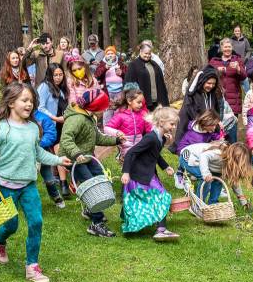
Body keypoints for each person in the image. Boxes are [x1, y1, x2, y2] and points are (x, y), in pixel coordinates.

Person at [0, 82, 72, 282]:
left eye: (31, 101)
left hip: (28, 185)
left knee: (36, 222)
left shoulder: (33, 128)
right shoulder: (1, 128)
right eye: (24, 100)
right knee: (11, 225)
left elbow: (37, 152)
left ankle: (32, 266)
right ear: (11, 103)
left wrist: (57, 160)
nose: (29, 104)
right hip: (6, 185)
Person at [60, 90, 121, 238]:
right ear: (95, 107)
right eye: (103, 108)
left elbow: (97, 138)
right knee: (91, 185)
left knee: (100, 179)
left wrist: (116, 140)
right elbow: (66, 139)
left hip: (86, 156)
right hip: (73, 158)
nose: (105, 111)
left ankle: (89, 208)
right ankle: (96, 223)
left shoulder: (88, 117)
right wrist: (76, 154)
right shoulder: (76, 119)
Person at [120, 106, 180, 241]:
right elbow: (131, 153)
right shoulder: (150, 138)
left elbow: (155, 155)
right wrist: (126, 172)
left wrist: (166, 167)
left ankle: (160, 228)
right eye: (172, 124)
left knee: (160, 196)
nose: (174, 127)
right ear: (161, 122)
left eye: (174, 124)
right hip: (139, 174)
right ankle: (161, 230)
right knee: (163, 196)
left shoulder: (161, 138)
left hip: (149, 173)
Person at [104, 87, 154, 161]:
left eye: (142, 102)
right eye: (138, 102)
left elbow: (150, 129)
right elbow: (106, 129)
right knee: (130, 168)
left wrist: (160, 131)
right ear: (129, 101)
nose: (141, 105)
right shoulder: (120, 115)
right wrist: (117, 132)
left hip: (140, 146)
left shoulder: (143, 114)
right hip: (126, 148)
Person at [208, 38, 247, 117]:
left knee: (232, 124)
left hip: (233, 97)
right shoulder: (214, 61)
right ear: (221, 48)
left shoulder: (238, 60)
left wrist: (238, 68)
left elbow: (244, 76)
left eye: (229, 47)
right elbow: (207, 74)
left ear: (232, 48)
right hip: (217, 96)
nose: (227, 49)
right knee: (217, 123)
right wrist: (216, 71)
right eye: (225, 47)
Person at [125, 42, 169, 111]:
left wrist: (164, 101)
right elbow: (129, 84)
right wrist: (133, 100)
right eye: (146, 53)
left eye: (149, 54)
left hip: (157, 101)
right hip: (142, 102)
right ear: (140, 52)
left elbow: (161, 84)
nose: (148, 55)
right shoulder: (133, 65)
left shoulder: (155, 65)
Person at [94, 46, 127, 120]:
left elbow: (127, 75)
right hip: (107, 92)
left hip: (119, 91)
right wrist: (105, 68)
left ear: (115, 54)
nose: (110, 55)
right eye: (108, 54)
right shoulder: (102, 63)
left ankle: (119, 128)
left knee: (119, 112)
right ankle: (107, 129)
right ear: (105, 55)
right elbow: (96, 75)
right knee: (108, 112)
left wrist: (121, 73)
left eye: (112, 53)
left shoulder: (120, 63)